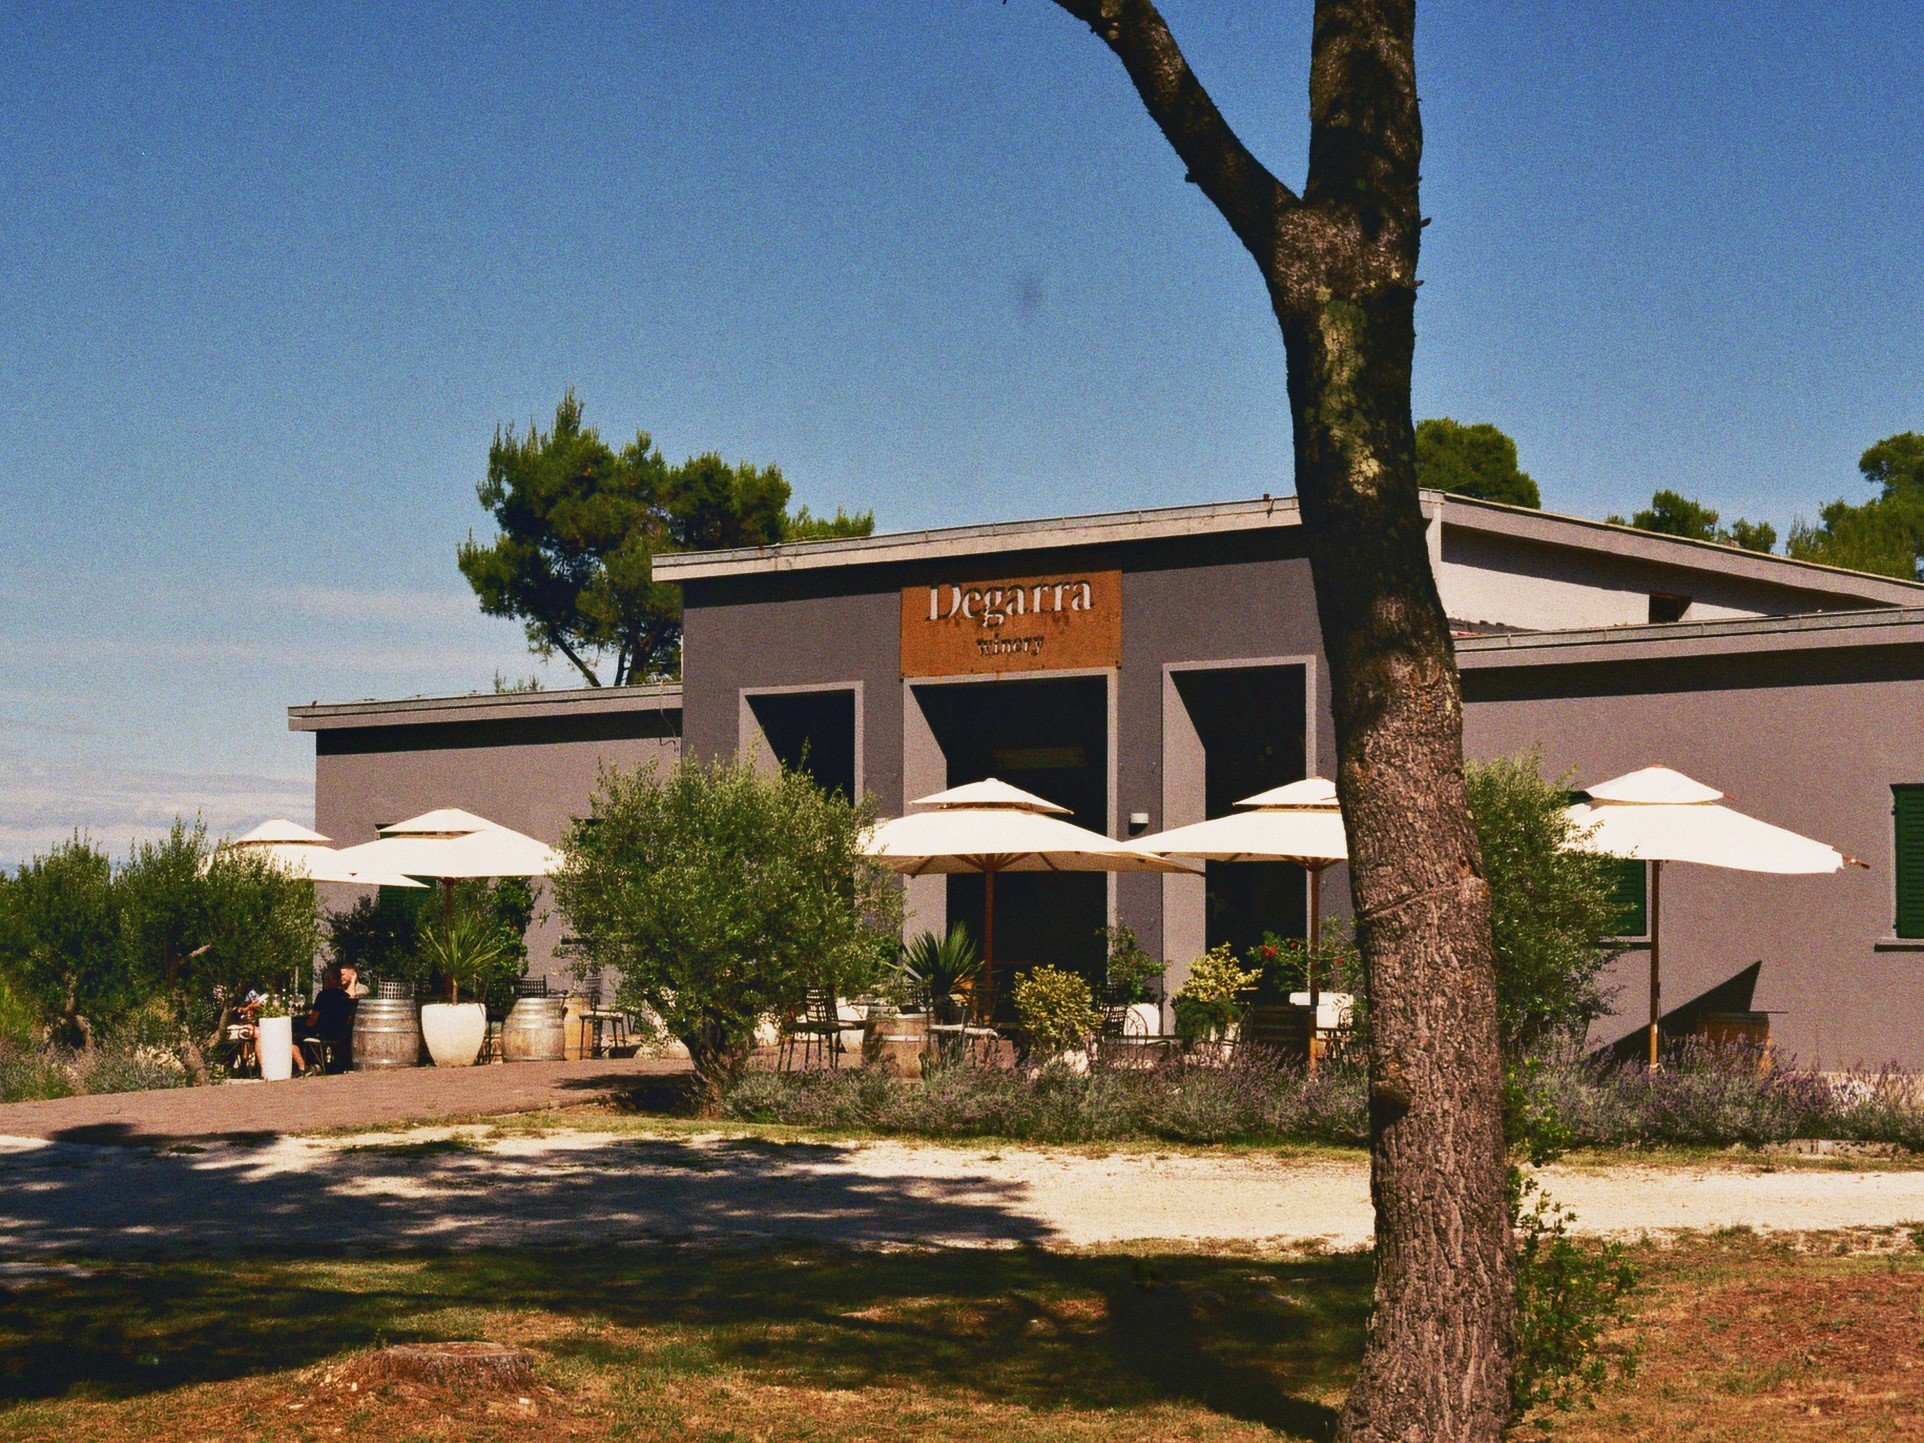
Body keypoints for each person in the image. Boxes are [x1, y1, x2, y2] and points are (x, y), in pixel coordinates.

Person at [295, 965, 357, 1073]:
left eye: (325, 980)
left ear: (330, 980)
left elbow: (312, 1021)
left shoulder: (323, 996)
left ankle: (305, 1066)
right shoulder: (345, 996)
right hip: (339, 1033)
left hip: (324, 1033)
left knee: (296, 1035)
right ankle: (320, 1063)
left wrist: (303, 1024)